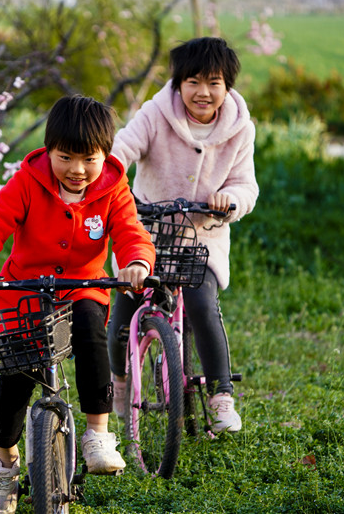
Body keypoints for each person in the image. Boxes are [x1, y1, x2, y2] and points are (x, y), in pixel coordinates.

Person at [0, 95, 156, 514]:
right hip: (23, 290)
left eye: (89, 159)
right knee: (17, 374)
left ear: (105, 156)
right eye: (66, 157)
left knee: (91, 331)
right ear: (48, 151)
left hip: (82, 287)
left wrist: (136, 262)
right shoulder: (27, 182)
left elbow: (132, 232)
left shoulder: (113, 187)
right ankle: (3, 459)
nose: (77, 170)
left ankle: (98, 434)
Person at [107, 36, 259, 434]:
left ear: (227, 86)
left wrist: (231, 199)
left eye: (213, 82)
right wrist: (106, 176)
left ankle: (221, 395)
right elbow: (123, 147)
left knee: (202, 303)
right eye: (192, 81)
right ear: (177, 84)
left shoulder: (240, 129)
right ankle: (119, 383)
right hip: (145, 229)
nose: (202, 92)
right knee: (124, 308)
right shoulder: (155, 113)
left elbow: (247, 185)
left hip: (201, 236)